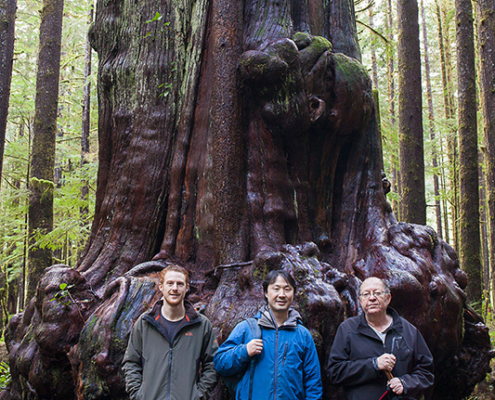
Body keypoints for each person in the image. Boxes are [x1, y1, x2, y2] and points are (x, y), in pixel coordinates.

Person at [214, 270, 323, 400]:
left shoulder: (303, 335)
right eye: (276, 289)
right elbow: (220, 363)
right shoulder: (247, 328)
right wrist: (244, 351)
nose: (282, 295)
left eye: (287, 289)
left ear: (293, 293)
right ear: (266, 293)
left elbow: (313, 383)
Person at [327, 277, 434, 400]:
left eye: (377, 293)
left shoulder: (408, 331)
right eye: (366, 294)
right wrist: (374, 365)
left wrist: (405, 383)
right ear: (360, 301)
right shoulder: (347, 329)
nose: (372, 298)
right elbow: (335, 372)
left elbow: (426, 373)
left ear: (388, 298)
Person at [122, 265, 218, 400]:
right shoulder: (145, 323)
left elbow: (213, 363)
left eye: (180, 284)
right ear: (161, 287)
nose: (174, 288)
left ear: (186, 287)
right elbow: (131, 362)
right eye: (170, 283)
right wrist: (139, 394)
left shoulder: (201, 325)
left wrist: (198, 394)